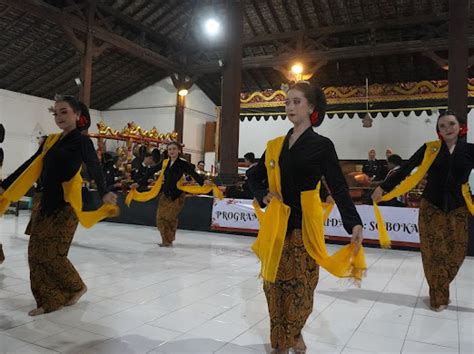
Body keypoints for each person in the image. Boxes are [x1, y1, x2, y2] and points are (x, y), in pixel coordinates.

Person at [247, 82, 365, 354]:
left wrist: (354, 222)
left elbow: (337, 185)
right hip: (277, 227)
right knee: (273, 286)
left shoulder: (322, 145)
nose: (290, 107)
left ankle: (294, 332)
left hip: (304, 226)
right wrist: (263, 194)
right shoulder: (276, 146)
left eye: (296, 101)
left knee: (301, 288)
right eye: (287, 102)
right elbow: (253, 176)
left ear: (312, 107)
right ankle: (281, 343)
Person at [0, 95, 118, 316]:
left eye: (64, 111)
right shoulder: (50, 141)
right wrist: (5, 186)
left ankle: (68, 290)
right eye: (56, 113)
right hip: (43, 201)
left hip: (66, 205)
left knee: (52, 254)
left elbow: (94, 166)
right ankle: (53, 296)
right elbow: (30, 165)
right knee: (35, 253)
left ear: (77, 115)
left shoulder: (82, 141)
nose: (59, 116)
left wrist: (104, 192)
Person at [372, 110, 473, 312]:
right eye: (442, 126)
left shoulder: (470, 150)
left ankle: (440, 285)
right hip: (431, 206)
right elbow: (406, 167)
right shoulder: (430, 149)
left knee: (457, 253)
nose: (447, 129)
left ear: (460, 126)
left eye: (451, 124)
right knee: (432, 254)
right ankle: (438, 297)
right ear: (438, 131)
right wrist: (384, 186)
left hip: (459, 207)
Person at [127, 142, 216, 247]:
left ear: (179, 151)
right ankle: (166, 240)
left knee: (169, 217)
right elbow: (150, 171)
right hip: (165, 194)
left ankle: (169, 239)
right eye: (169, 149)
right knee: (160, 218)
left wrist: (204, 182)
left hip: (177, 196)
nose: (172, 151)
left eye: (174, 149)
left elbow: (194, 174)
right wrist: (138, 183)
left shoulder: (183, 163)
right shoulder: (165, 162)